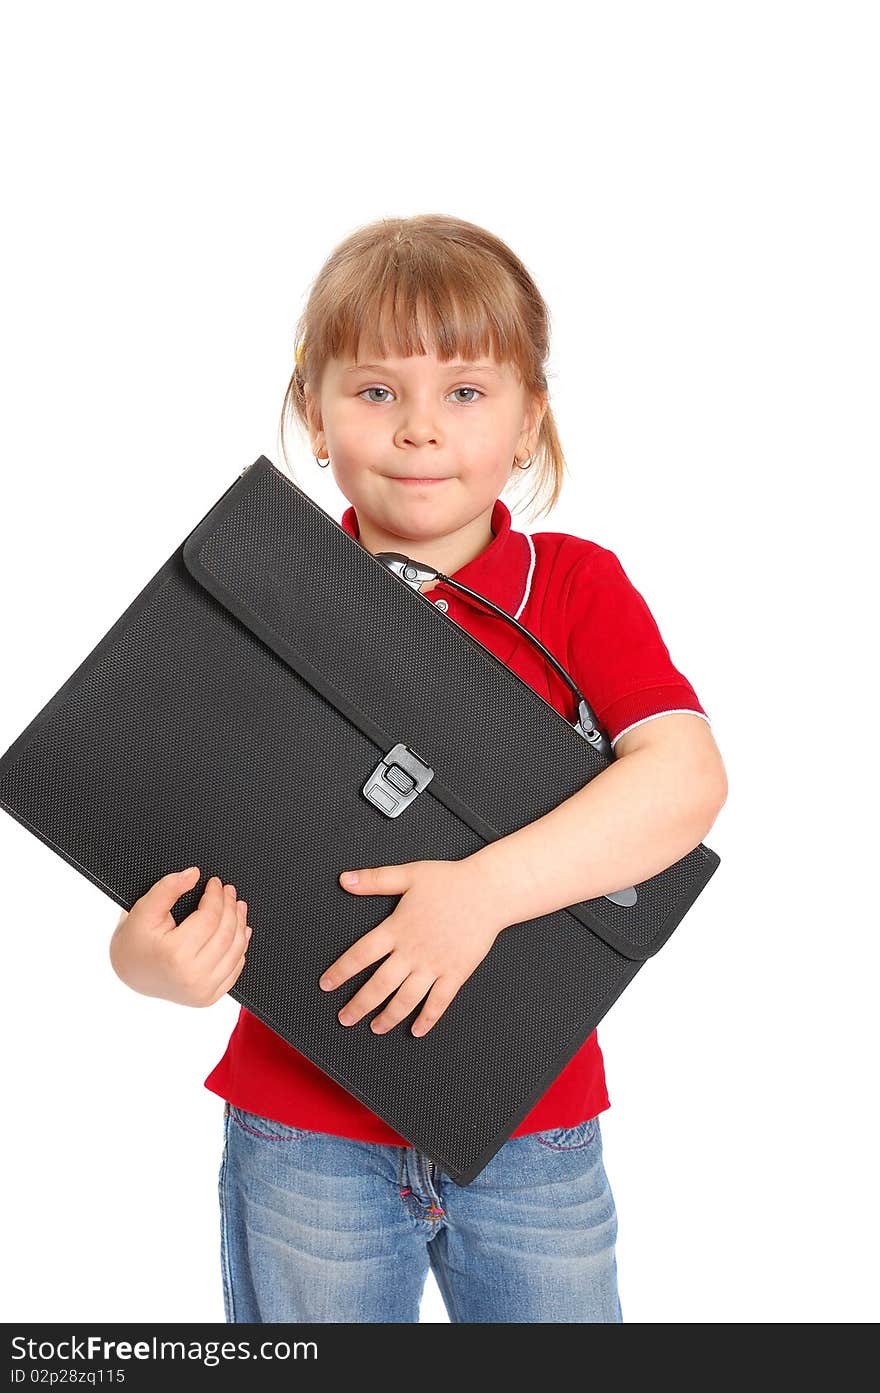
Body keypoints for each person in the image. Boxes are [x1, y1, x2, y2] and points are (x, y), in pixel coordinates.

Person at [110, 213, 727, 1323]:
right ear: (314, 411)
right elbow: (163, 830)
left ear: (530, 419)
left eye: (466, 392)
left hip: (532, 1125)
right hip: (303, 1131)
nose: (419, 430)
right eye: (376, 391)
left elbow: (684, 781)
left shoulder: (575, 588)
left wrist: (482, 893)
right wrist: (150, 961)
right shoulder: (257, 595)